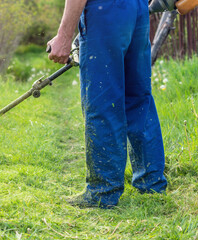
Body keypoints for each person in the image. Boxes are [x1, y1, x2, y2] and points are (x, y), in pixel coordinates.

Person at [47, 0, 167, 208]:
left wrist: (64, 37)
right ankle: (151, 184)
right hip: (136, 9)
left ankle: (103, 192)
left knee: (103, 102)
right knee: (139, 100)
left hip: (105, 8)